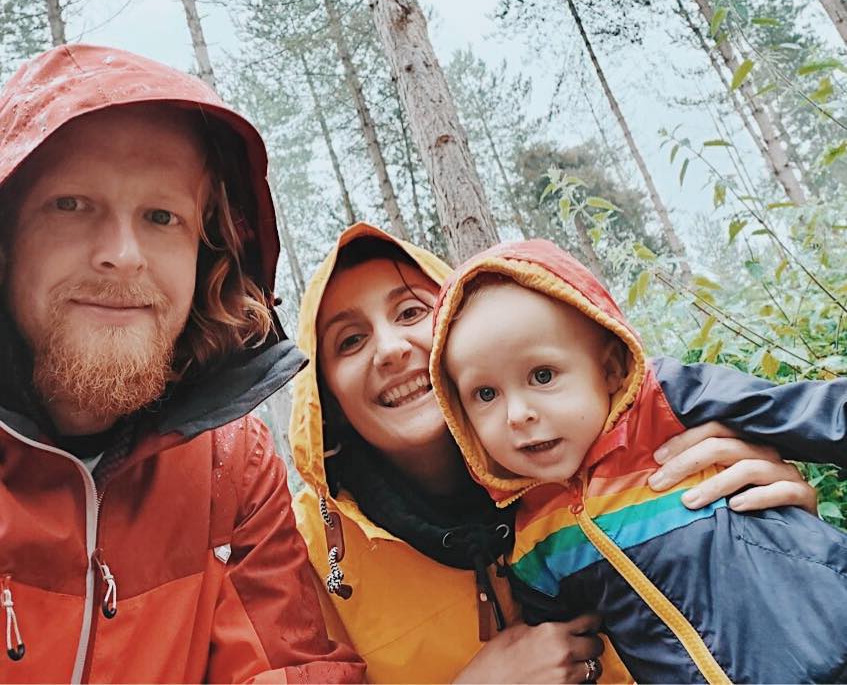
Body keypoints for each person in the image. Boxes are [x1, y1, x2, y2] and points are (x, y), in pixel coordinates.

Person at [289, 222, 819, 684]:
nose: (390, 349)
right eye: (350, 341)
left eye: (410, 312)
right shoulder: (304, 553)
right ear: (326, 397)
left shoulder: (629, 435)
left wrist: (778, 538)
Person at [0, 45, 364, 683]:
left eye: (162, 216)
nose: (122, 254)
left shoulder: (234, 466)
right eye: (71, 204)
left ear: (207, 255)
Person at [429, 238, 847, 683]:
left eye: (543, 375)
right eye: (485, 394)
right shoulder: (534, 542)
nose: (518, 414)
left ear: (610, 369)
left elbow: (808, 412)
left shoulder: (665, 404)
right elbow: (566, 654)